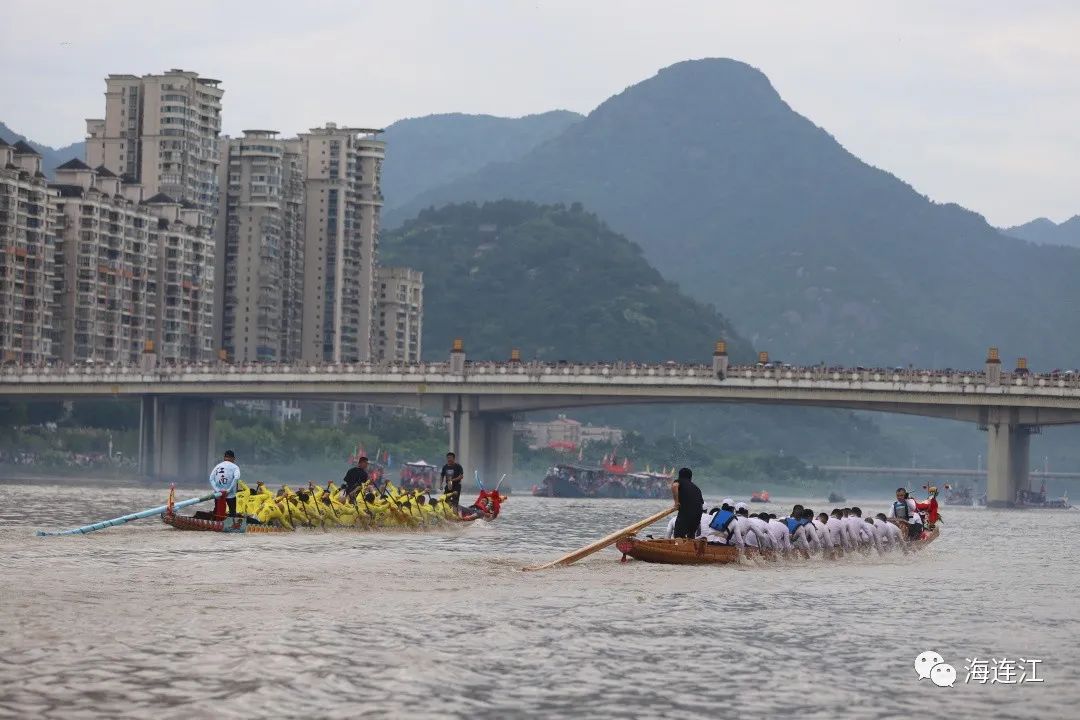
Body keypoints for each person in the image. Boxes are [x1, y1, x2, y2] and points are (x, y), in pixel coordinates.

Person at [671, 467, 704, 539]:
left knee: (678, 536)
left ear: (679, 476)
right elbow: (701, 503)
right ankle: (689, 548)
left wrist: (676, 502)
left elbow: (674, 486)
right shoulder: (696, 488)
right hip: (698, 515)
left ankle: (678, 548)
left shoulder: (679, 481)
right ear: (691, 477)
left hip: (686, 513)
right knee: (691, 535)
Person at [209, 450, 241, 518]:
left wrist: (217, 490)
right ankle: (232, 525)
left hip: (218, 494)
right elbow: (236, 478)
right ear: (233, 458)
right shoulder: (235, 467)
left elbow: (211, 479)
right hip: (230, 494)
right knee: (232, 512)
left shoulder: (217, 466)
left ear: (224, 457)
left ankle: (215, 523)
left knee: (217, 511)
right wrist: (228, 490)